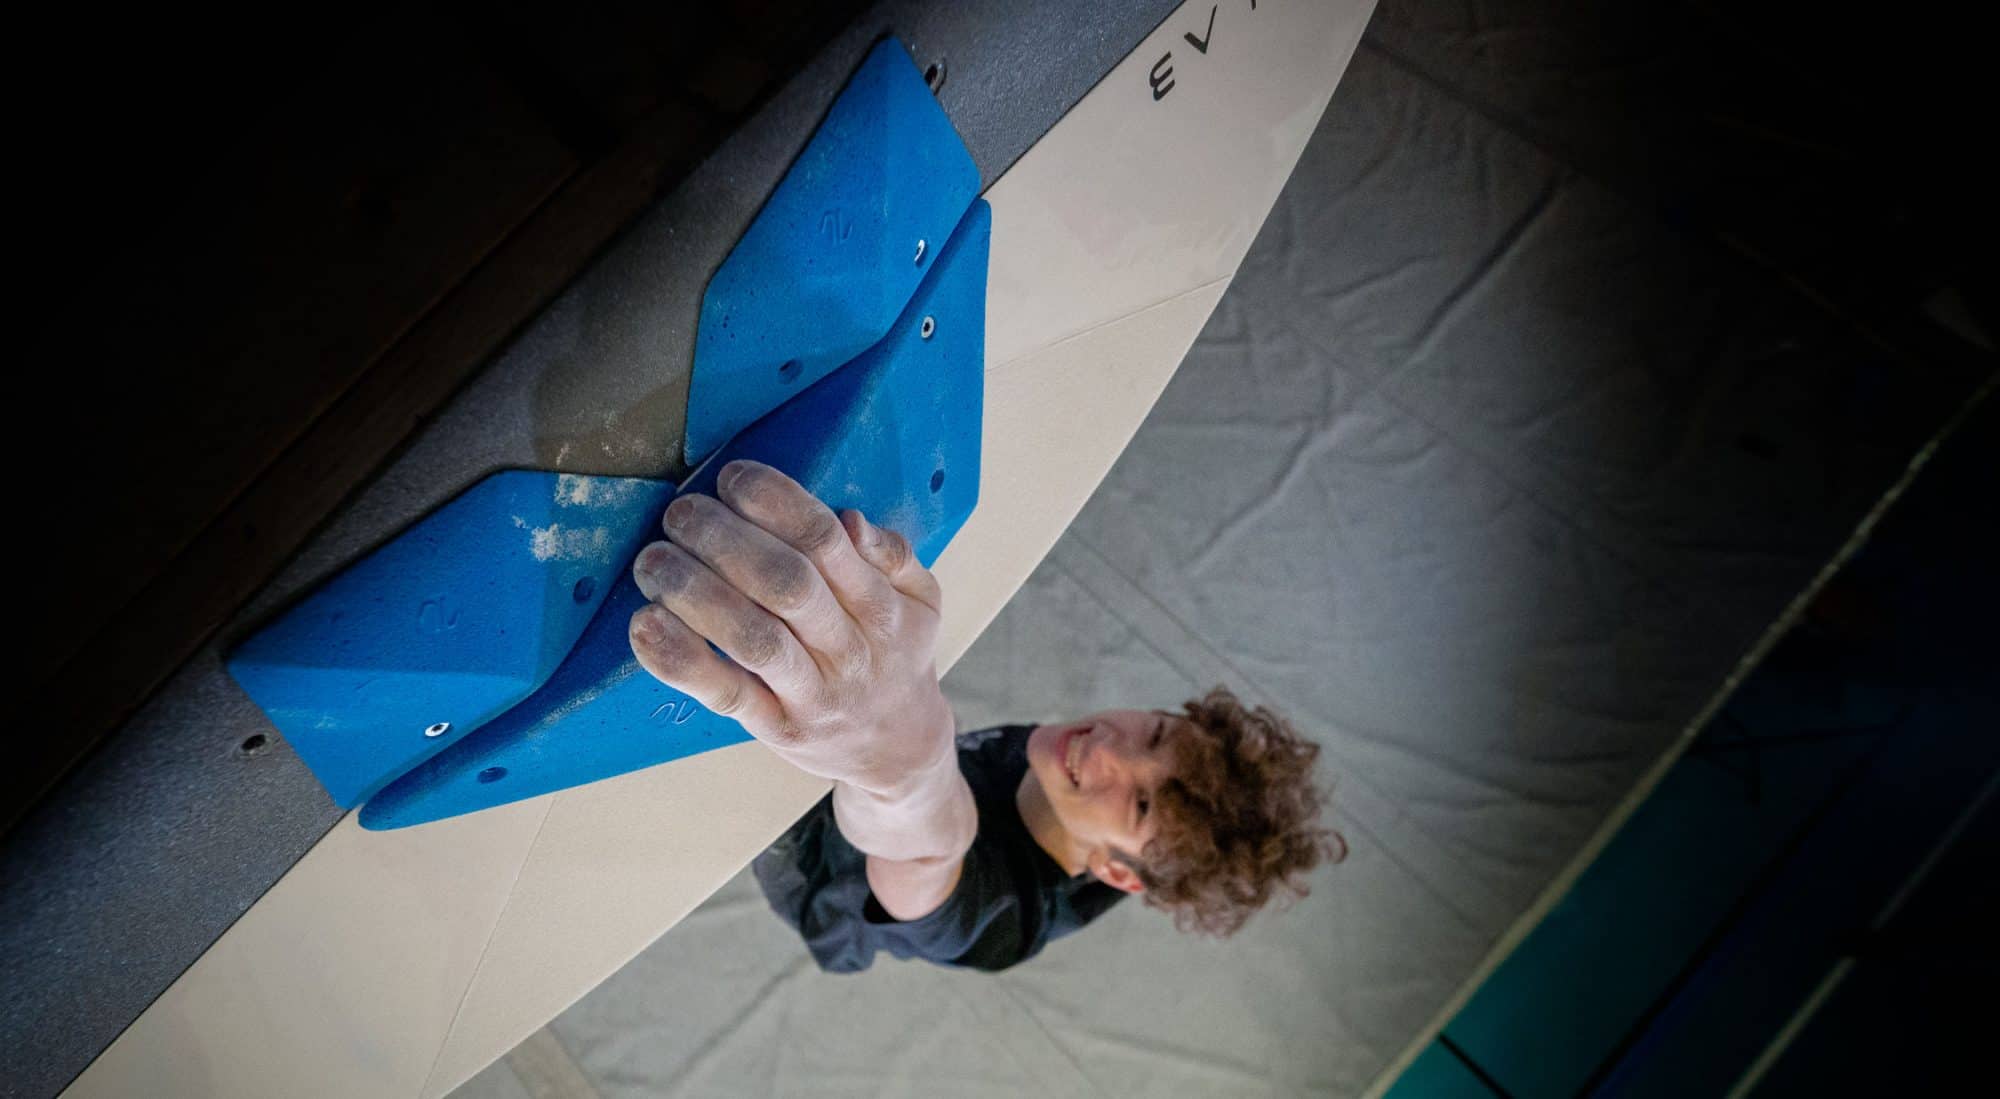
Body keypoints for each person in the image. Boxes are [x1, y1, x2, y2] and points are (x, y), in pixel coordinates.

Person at [628, 459, 1343, 973]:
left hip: (816, 865)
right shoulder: (1067, 772)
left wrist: (907, 775)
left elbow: (925, 859)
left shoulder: (999, 922)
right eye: (1155, 733)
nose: (1107, 749)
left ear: (1118, 873)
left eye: (1141, 802)